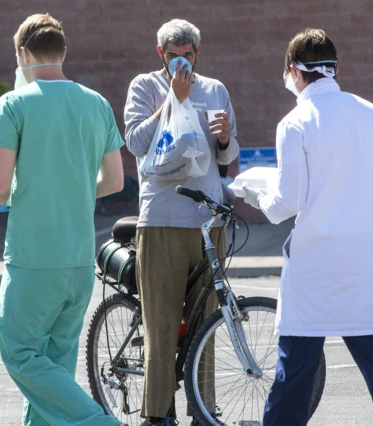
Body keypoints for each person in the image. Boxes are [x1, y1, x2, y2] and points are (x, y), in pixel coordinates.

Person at [242, 28, 373, 426]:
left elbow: (287, 202)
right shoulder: (372, 114)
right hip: (365, 259)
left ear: (294, 71)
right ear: (334, 69)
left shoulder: (295, 123)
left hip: (316, 264)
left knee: (297, 369)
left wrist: (256, 195)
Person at [0, 13, 125, 426]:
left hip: (33, 256)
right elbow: (114, 181)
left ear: (23, 53)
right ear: (62, 52)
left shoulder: (11, 104)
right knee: (55, 368)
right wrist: (73, 187)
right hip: (80, 257)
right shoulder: (96, 102)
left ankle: (102, 423)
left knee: (20, 353)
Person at [124, 18, 240, 426]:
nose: (181, 65)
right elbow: (136, 143)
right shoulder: (144, 86)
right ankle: (157, 414)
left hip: (208, 221)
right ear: (161, 55)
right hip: (162, 220)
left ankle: (203, 409)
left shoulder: (215, 89)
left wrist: (225, 139)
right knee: (162, 324)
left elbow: (226, 157)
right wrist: (170, 101)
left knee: (207, 321)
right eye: (173, 57)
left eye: (187, 57)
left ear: (198, 53)